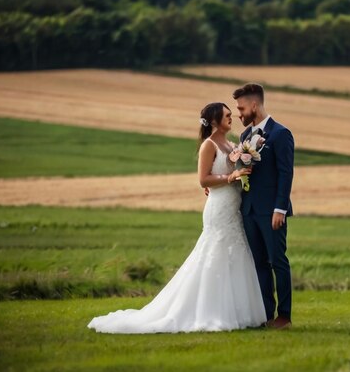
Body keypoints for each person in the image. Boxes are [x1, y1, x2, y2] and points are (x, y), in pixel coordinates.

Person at [87, 102, 266, 333]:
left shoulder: (232, 144)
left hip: (234, 206)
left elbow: (232, 172)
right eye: (227, 115)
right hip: (219, 208)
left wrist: (242, 173)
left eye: (231, 114)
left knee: (237, 253)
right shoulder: (209, 145)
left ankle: (242, 314)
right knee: (216, 253)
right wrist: (231, 176)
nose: (231, 118)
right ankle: (211, 312)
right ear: (214, 121)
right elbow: (203, 180)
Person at [233, 83, 295, 330]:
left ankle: (285, 316)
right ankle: (266, 315)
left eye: (241, 107)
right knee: (259, 264)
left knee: (278, 261)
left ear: (254, 105)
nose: (239, 113)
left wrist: (280, 209)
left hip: (271, 211)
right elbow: (243, 171)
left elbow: (285, 173)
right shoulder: (244, 137)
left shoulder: (281, 134)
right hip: (249, 210)